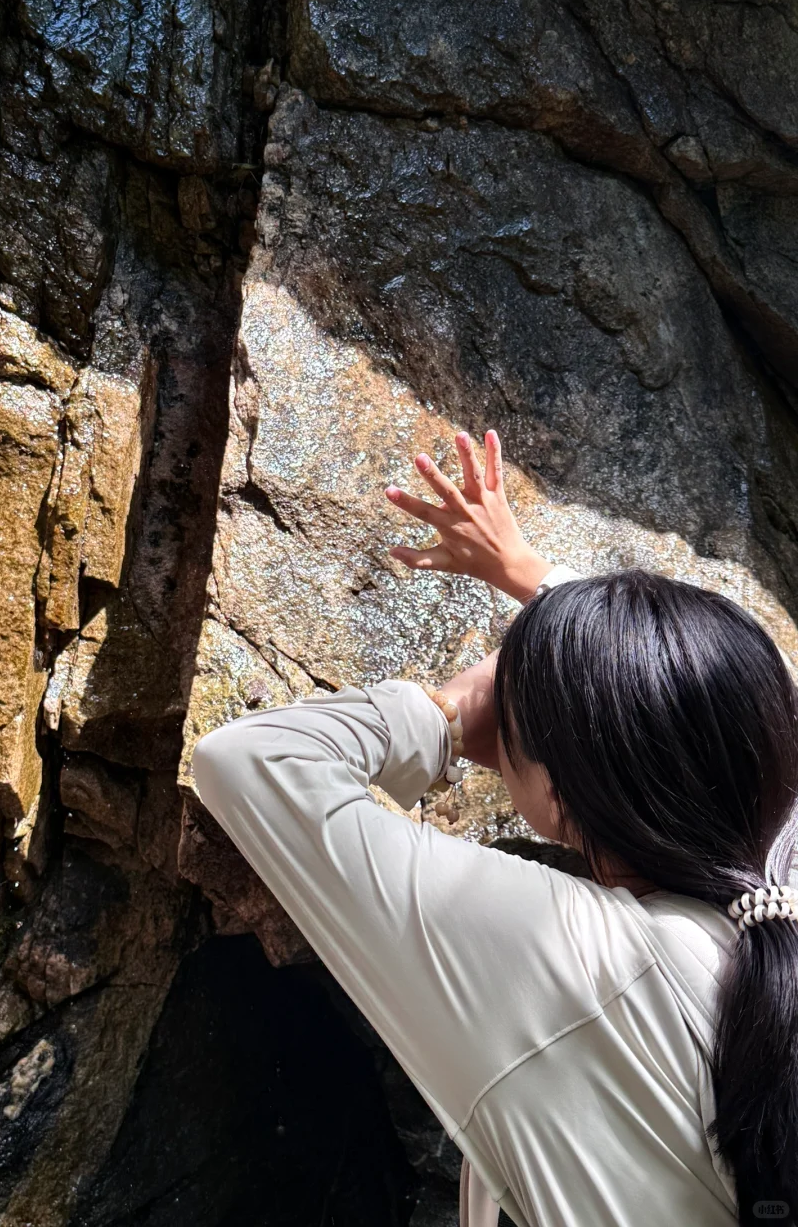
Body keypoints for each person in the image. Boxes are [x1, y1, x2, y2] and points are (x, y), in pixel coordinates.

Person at [191, 430, 798, 1227]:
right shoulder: (777, 857)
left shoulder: (561, 955)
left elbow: (251, 760)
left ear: (562, 797)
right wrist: (534, 582)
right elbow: (738, 698)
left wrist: (445, 711)